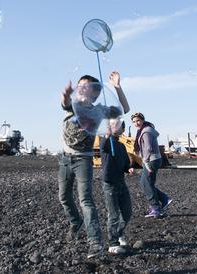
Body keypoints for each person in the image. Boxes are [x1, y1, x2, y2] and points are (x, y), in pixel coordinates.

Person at [59, 71, 130, 259]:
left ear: (95, 93)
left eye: (85, 87)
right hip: (65, 158)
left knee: (86, 201)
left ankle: (95, 243)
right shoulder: (74, 106)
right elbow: (65, 102)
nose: (80, 89)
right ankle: (76, 222)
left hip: (83, 160)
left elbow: (124, 109)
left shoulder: (98, 111)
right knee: (64, 197)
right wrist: (66, 93)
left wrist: (116, 86)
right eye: (79, 86)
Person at [130, 112, 172, 218]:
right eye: (134, 122)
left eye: (138, 120)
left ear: (143, 120)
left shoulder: (146, 132)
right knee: (148, 183)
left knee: (145, 183)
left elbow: (148, 148)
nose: (136, 123)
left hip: (151, 161)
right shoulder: (145, 130)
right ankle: (163, 199)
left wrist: (145, 160)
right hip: (154, 159)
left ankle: (156, 208)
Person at [100, 120, 132, 255]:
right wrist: (108, 134)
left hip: (121, 182)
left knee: (127, 213)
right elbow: (103, 145)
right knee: (113, 215)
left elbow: (125, 164)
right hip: (109, 184)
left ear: (122, 130)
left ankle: (119, 234)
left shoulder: (121, 146)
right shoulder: (107, 142)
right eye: (114, 125)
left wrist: (129, 169)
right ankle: (113, 244)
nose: (116, 127)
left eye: (119, 126)